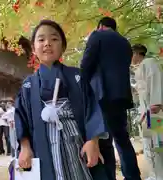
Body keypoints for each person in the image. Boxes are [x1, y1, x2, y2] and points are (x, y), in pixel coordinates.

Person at [15, 19, 109, 180]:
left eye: (54, 39)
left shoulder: (77, 76)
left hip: (75, 141)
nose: (47, 44)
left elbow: (92, 109)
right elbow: (21, 118)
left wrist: (93, 141)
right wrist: (24, 147)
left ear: (63, 47)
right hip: (43, 142)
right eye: (41, 39)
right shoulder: (28, 85)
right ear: (33, 48)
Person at [80, 17, 141, 180]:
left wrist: (81, 88)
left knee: (104, 141)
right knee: (122, 139)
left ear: (100, 26)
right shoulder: (125, 43)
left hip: (102, 94)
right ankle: (133, 176)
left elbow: (86, 65)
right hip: (121, 96)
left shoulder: (97, 35)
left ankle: (108, 177)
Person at [132, 44, 163, 180]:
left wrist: (156, 103)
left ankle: (159, 175)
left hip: (154, 111)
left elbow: (156, 81)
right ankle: (154, 174)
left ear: (137, 53)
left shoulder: (149, 63)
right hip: (146, 112)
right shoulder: (139, 69)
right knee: (148, 143)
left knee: (156, 143)